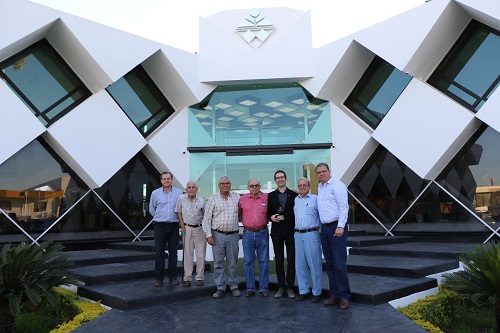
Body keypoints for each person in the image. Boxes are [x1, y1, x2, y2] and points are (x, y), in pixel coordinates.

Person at [316, 162, 351, 310]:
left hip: (337, 228)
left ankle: (344, 296)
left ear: (329, 172)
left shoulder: (338, 185)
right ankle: (334, 294)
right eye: (319, 172)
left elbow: (344, 206)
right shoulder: (320, 187)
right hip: (325, 229)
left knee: (339, 263)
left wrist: (340, 226)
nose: (321, 174)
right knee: (329, 264)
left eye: (324, 171)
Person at [202, 175, 241, 298]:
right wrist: (209, 235)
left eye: (227, 183)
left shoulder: (237, 197)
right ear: (219, 185)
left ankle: (233, 286)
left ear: (230, 185)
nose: (225, 185)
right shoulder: (213, 199)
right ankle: (220, 287)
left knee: (233, 262)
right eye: (223, 183)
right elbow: (206, 219)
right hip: (217, 234)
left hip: (233, 235)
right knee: (218, 263)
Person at [267, 170, 297, 299]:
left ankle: (290, 286)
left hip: (291, 231)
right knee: (279, 260)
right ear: (275, 180)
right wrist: (271, 217)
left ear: (285, 178)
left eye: (282, 177)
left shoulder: (293, 194)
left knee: (291, 260)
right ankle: (280, 287)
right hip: (277, 232)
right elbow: (267, 212)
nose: (280, 179)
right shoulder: (271, 196)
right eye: (277, 178)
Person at [149, 171, 183, 286]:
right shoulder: (155, 193)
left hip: (173, 226)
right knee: (159, 253)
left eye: (168, 179)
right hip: (160, 226)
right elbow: (152, 209)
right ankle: (159, 277)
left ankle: (173, 277)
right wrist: (160, 218)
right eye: (164, 179)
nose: (166, 180)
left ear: (172, 180)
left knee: (173, 253)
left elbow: (181, 208)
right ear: (161, 181)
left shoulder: (178, 193)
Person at [293, 177, 322, 303]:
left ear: (309, 187)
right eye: (300, 185)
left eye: (305, 185)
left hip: (311, 234)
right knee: (300, 265)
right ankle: (303, 291)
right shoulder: (296, 200)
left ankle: (317, 292)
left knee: (314, 264)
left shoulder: (315, 199)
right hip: (298, 234)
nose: (302, 187)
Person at [238, 179, 269, 297]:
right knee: (248, 262)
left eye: (256, 185)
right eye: (252, 185)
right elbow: (238, 214)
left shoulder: (266, 198)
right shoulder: (243, 199)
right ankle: (250, 288)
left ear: (260, 186)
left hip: (262, 232)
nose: (254, 187)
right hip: (248, 233)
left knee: (264, 261)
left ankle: (263, 288)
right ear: (248, 187)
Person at [176, 181, 206, 287]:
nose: (191, 189)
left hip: (199, 228)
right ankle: (187, 277)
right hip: (187, 228)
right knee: (187, 253)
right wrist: (182, 226)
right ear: (186, 189)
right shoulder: (181, 198)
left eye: (193, 187)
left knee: (200, 254)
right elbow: (179, 212)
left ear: (196, 189)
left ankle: (199, 277)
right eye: (189, 187)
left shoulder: (201, 199)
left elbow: (205, 214)